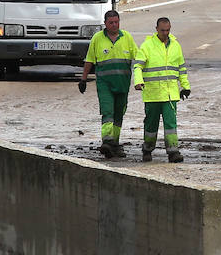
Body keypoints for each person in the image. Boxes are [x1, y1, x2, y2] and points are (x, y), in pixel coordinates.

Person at [79, 10, 137, 158]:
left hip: (123, 84)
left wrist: (143, 78)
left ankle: (115, 144)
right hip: (104, 84)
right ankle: (107, 140)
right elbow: (89, 59)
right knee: (107, 111)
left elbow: (139, 58)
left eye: (116, 22)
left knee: (119, 114)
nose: (114, 25)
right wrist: (83, 79)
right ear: (105, 24)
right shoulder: (97, 39)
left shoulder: (127, 37)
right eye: (111, 22)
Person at [133, 16, 190, 162]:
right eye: (163, 30)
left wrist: (185, 86)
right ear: (156, 29)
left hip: (170, 93)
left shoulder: (175, 45)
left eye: (168, 30)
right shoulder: (147, 45)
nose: (166, 33)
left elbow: (181, 68)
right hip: (153, 93)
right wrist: (138, 82)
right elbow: (138, 66)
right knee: (151, 124)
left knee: (171, 124)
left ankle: (173, 151)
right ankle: (147, 149)